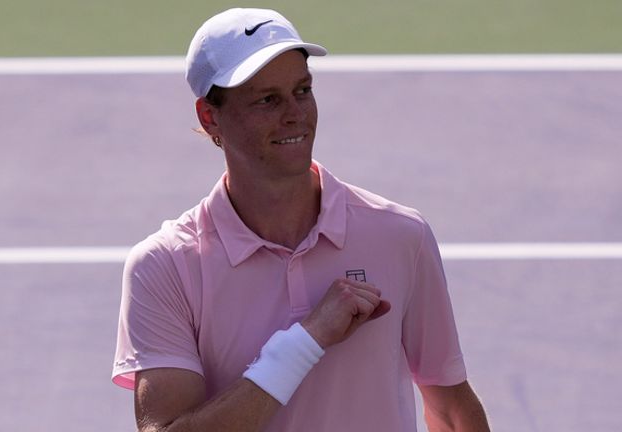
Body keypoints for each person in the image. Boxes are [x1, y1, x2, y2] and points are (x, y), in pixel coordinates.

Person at [113, 7, 490, 432]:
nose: (296, 113)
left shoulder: (402, 236)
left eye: (303, 90)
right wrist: (304, 343)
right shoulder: (165, 266)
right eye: (268, 99)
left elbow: (451, 411)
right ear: (209, 116)